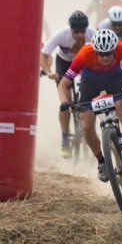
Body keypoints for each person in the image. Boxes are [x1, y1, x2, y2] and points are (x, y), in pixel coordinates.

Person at [58, 29, 122, 182]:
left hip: (115, 78)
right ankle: (101, 163)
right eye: (101, 54)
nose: (105, 58)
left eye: (108, 54)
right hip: (90, 82)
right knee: (86, 124)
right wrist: (65, 102)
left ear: (114, 50)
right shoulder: (84, 54)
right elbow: (63, 84)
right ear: (95, 51)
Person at [41, 11, 95, 157]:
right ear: (70, 29)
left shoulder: (92, 34)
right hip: (64, 64)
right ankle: (65, 137)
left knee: (87, 97)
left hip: (83, 63)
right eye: (75, 31)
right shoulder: (61, 35)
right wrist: (48, 71)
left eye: (82, 31)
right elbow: (43, 54)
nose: (79, 34)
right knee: (66, 103)